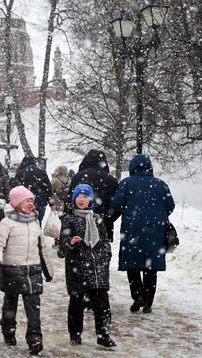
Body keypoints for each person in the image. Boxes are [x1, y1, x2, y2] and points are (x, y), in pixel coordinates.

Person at [109, 154, 175, 313]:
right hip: (155, 231)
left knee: (132, 264)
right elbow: (170, 206)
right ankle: (148, 303)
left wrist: (109, 218)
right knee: (151, 267)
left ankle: (138, 295)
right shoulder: (161, 185)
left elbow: (116, 205)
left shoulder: (126, 183)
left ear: (132, 168)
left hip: (132, 230)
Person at [0, 186, 53, 355]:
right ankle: (8, 331)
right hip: (11, 269)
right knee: (10, 304)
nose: (31, 203)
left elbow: (42, 247)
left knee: (33, 307)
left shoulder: (35, 221)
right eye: (27, 200)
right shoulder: (7, 222)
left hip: (32, 270)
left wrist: (48, 270)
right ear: (17, 203)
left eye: (32, 200)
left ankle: (35, 339)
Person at [60, 184, 116, 348]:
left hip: (97, 267)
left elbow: (104, 240)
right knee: (76, 303)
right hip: (77, 267)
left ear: (90, 199)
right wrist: (70, 242)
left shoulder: (97, 218)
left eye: (85, 196)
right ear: (74, 199)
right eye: (79, 196)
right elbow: (62, 245)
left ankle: (104, 335)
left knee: (102, 303)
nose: (82, 200)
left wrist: (105, 256)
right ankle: (75, 334)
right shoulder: (68, 219)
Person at [64, 149, 119, 242]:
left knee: (78, 253)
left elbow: (69, 200)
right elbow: (116, 205)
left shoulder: (78, 176)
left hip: (78, 224)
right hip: (103, 225)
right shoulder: (110, 179)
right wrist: (107, 220)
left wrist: (69, 220)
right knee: (101, 253)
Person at [14, 156, 53, 223]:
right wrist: (51, 203)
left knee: (26, 223)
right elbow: (48, 188)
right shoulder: (42, 172)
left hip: (24, 202)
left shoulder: (20, 173)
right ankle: (37, 231)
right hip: (40, 202)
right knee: (38, 221)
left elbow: (15, 188)